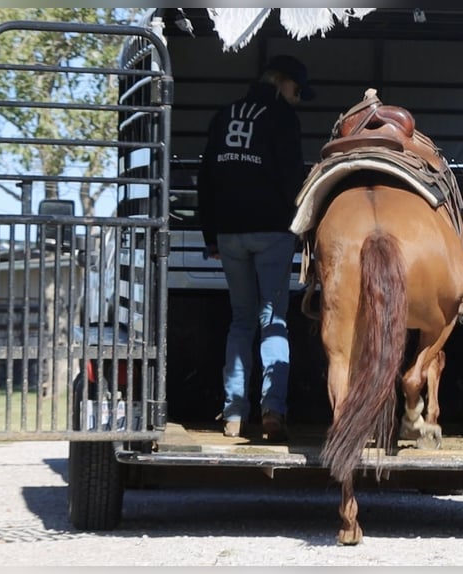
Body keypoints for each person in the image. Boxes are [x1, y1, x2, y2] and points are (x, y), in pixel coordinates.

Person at [197, 54, 314, 442]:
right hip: (272, 232)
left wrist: (209, 234)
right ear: (282, 82)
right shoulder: (282, 118)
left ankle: (232, 414)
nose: (297, 99)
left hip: (229, 234)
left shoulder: (222, 115)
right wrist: (300, 222)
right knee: (273, 321)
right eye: (297, 90)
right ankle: (272, 411)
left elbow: (206, 177)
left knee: (241, 321)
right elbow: (290, 176)